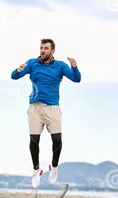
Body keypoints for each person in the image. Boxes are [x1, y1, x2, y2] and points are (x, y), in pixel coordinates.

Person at [11, 39, 81, 188]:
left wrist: (74, 67)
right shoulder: (32, 63)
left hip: (52, 107)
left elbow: (76, 79)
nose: (43, 51)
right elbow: (14, 76)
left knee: (57, 140)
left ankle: (54, 167)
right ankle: (36, 171)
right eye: (41, 48)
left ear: (52, 51)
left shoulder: (60, 66)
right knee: (34, 141)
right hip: (35, 107)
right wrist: (18, 70)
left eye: (46, 48)